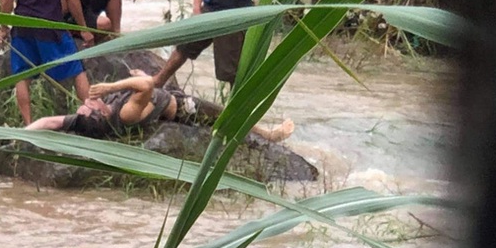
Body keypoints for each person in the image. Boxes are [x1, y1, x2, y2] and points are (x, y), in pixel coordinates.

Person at [26, 70, 295, 143]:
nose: (85, 102)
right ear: (102, 113)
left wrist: (18, 135)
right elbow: (146, 85)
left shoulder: (85, 120)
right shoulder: (124, 114)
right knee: (228, 113)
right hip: (182, 109)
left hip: (163, 96)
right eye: (88, 106)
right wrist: (110, 88)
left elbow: (49, 122)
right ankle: (269, 135)